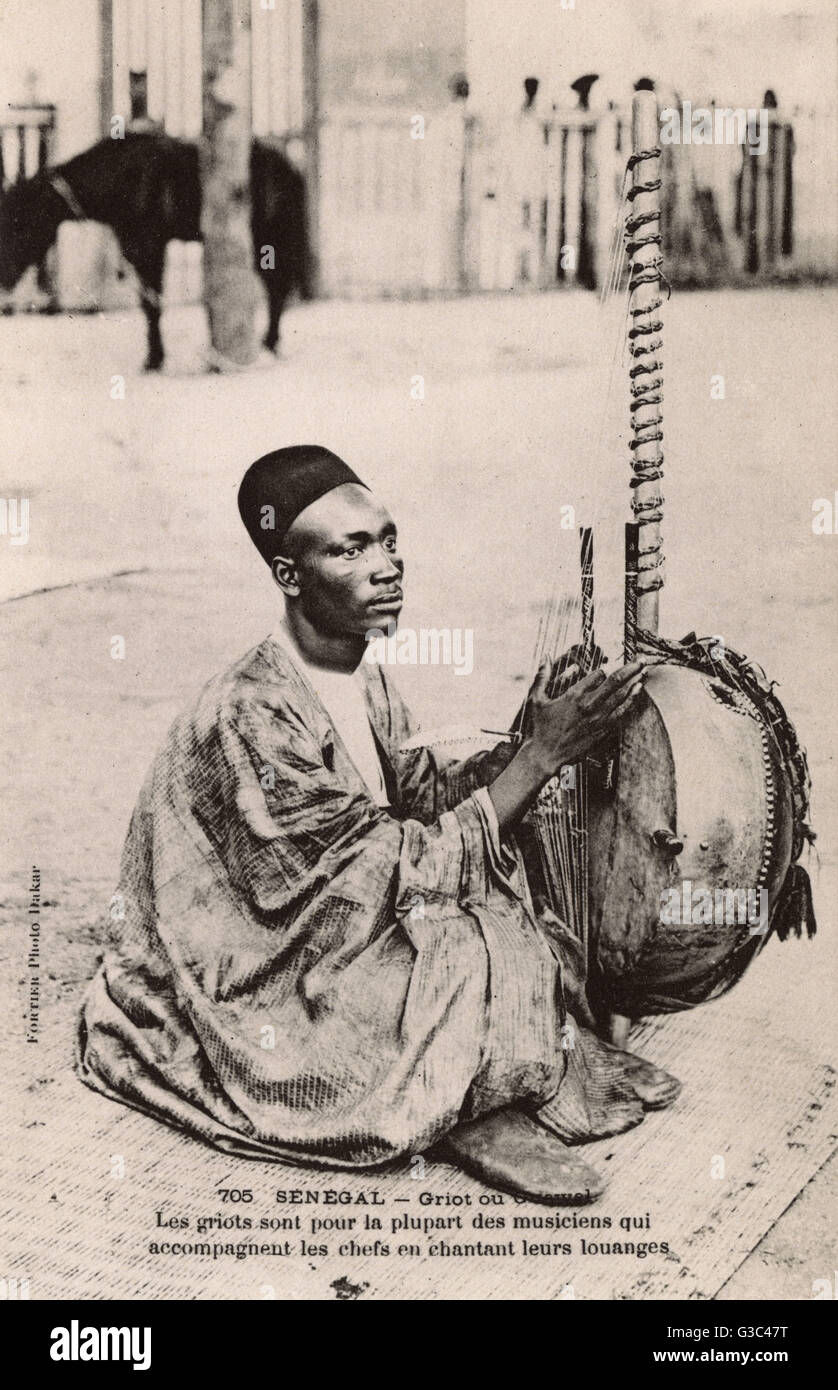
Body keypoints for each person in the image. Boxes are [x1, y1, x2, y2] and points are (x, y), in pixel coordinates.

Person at [77, 445, 680, 1203]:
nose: (387, 565)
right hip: (257, 971)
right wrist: (534, 760)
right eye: (351, 549)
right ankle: (461, 1110)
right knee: (460, 946)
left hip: (334, 921)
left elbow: (423, 799)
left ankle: (484, 1078)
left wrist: (532, 740)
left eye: (389, 540)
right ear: (290, 577)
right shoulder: (249, 709)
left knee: (506, 905)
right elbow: (365, 872)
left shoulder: (368, 681)